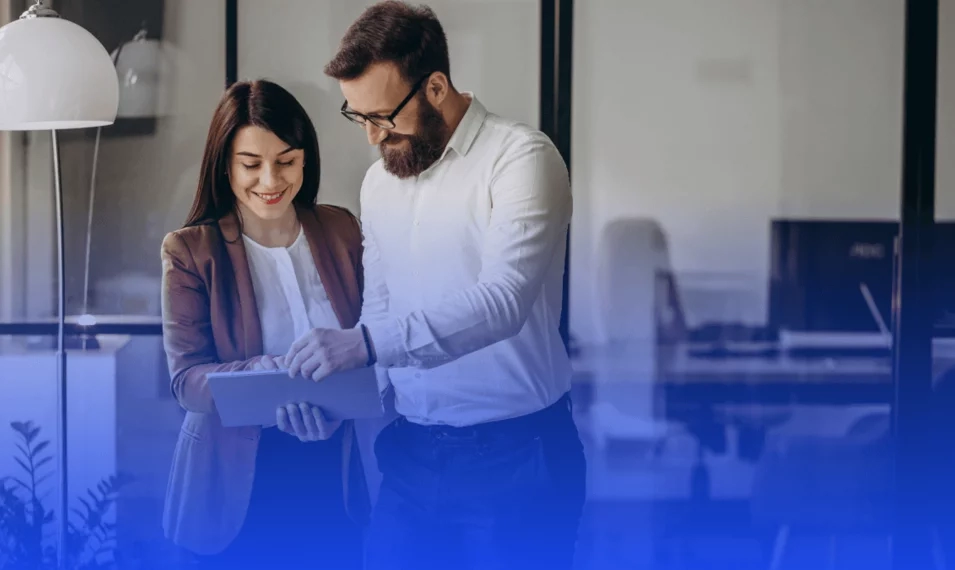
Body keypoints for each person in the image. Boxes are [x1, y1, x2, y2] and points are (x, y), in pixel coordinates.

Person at [281, 2, 587, 568]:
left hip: (518, 460)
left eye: (382, 116)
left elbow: (504, 302)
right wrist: (343, 397)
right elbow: (381, 308)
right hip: (409, 456)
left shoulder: (521, 159)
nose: (373, 137)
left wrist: (365, 344)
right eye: (359, 118)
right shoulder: (380, 184)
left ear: (437, 86)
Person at [159, 79, 368, 570]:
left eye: (287, 161)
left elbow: (371, 338)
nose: (270, 180)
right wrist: (266, 376)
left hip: (332, 469)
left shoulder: (341, 230)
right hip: (230, 477)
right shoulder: (191, 250)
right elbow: (186, 380)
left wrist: (339, 399)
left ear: (305, 160)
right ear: (225, 165)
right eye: (251, 164)